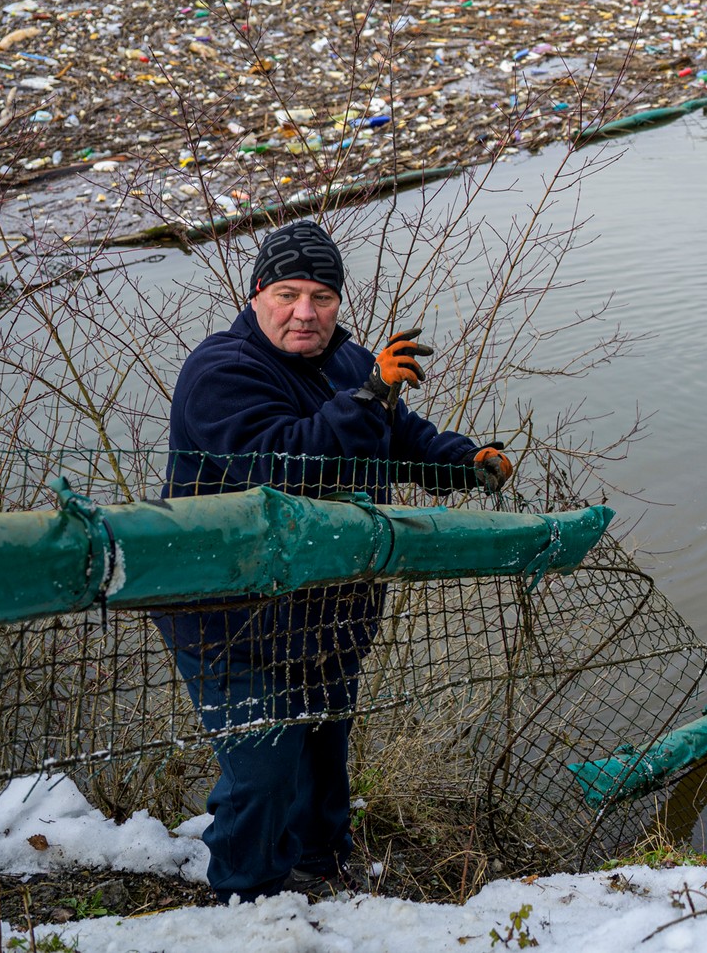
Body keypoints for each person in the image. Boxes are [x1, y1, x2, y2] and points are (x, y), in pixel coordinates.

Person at [154, 220, 513, 904]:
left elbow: (400, 438)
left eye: (322, 296)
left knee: (323, 749)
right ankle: (245, 901)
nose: (305, 312)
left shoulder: (347, 365)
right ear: (257, 293)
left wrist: (465, 462)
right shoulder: (220, 371)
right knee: (262, 770)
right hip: (229, 618)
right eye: (288, 293)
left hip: (327, 611)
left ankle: (323, 865)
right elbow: (284, 464)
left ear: (339, 303)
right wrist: (372, 394)